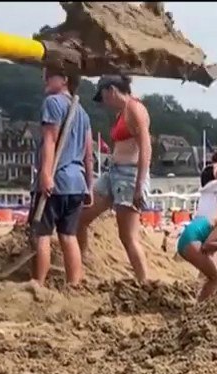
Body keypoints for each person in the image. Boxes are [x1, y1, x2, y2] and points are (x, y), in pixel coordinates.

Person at [77, 74, 150, 279]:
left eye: (104, 97)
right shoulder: (122, 112)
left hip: (129, 174)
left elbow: (146, 148)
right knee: (80, 217)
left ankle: (145, 282)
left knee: (128, 236)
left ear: (111, 90)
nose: (105, 103)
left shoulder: (135, 109)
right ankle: (81, 267)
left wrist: (139, 186)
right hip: (114, 174)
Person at [32, 65, 93, 288]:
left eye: (48, 76)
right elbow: (89, 155)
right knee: (69, 235)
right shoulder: (83, 113)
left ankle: (38, 284)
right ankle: (74, 285)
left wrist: (46, 175)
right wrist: (89, 187)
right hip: (77, 182)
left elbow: (50, 140)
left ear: (65, 79)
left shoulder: (53, 103)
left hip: (57, 179)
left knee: (43, 234)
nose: (44, 80)